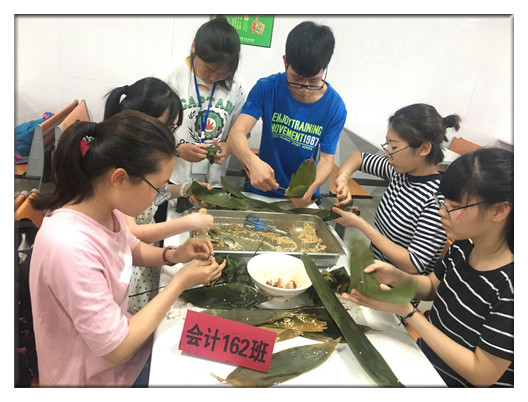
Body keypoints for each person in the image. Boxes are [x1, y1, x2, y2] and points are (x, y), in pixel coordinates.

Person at [28, 110, 225, 386]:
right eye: (157, 187)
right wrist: (179, 282)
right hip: (94, 378)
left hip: (126, 357)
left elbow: (130, 247)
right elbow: (116, 348)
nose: (159, 196)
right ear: (120, 178)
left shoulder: (105, 207)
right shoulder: (69, 247)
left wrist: (173, 255)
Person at [341, 147, 513, 387]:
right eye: (442, 202)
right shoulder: (464, 246)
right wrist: (397, 277)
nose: (441, 212)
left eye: (453, 207)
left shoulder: (511, 286)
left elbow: (481, 373)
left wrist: (409, 313)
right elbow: (432, 286)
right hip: (424, 361)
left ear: (499, 210)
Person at [104, 77, 214, 312]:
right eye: (168, 128)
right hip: (131, 274)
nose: (172, 138)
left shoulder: (139, 162)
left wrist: (185, 189)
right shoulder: (121, 166)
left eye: (173, 129)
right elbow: (132, 233)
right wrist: (189, 222)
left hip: (147, 258)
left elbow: (154, 194)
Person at [227, 21, 347, 208]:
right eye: (296, 79)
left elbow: (326, 160)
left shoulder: (335, 106)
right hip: (262, 193)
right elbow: (237, 133)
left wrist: (310, 188)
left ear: (325, 68)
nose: (304, 89)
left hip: (301, 198)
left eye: (314, 81)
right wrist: (252, 161)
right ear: (285, 61)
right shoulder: (267, 88)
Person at [333, 104, 460, 275]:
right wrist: (343, 179)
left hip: (397, 286)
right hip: (374, 269)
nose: (387, 153)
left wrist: (360, 224)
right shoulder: (400, 172)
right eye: (388, 145)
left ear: (423, 149)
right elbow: (357, 158)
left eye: (393, 147)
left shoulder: (437, 200)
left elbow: (413, 264)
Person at [160, 16, 247, 189]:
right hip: (173, 178)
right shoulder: (169, 77)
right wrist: (177, 149)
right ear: (194, 47)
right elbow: (151, 128)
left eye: (223, 73)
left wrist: (229, 146)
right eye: (208, 69)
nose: (213, 78)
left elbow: (238, 130)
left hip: (214, 182)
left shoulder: (238, 85)